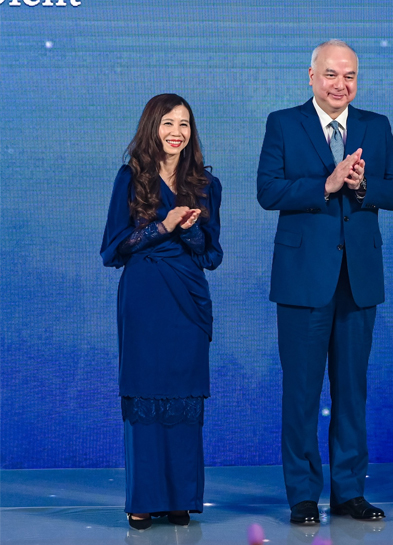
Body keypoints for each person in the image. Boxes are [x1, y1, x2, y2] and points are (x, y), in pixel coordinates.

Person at [256, 40, 393, 525]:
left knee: (351, 391)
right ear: (311, 76)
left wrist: (363, 186)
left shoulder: (375, 125)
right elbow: (268, 190)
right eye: (331, 75)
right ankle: (303, 495)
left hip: (358, 280)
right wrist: (327, 183)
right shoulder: (283, 123)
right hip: (303, 280)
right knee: (301, 393)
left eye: (350, 76)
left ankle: (349, 492)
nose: (341, 85)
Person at [101, 94, 223, 530]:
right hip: (145, 296)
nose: (177, 132)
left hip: (188, 299)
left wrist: (188, 232)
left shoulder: (207, 185)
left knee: (184, 398)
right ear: (152, 127)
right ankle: (143, 500)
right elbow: (114, 249)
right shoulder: (130, 178)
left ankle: (180, 500)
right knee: (145, 396)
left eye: (185, 124)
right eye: (168, 123)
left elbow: (212, 255)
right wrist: (163, 226)